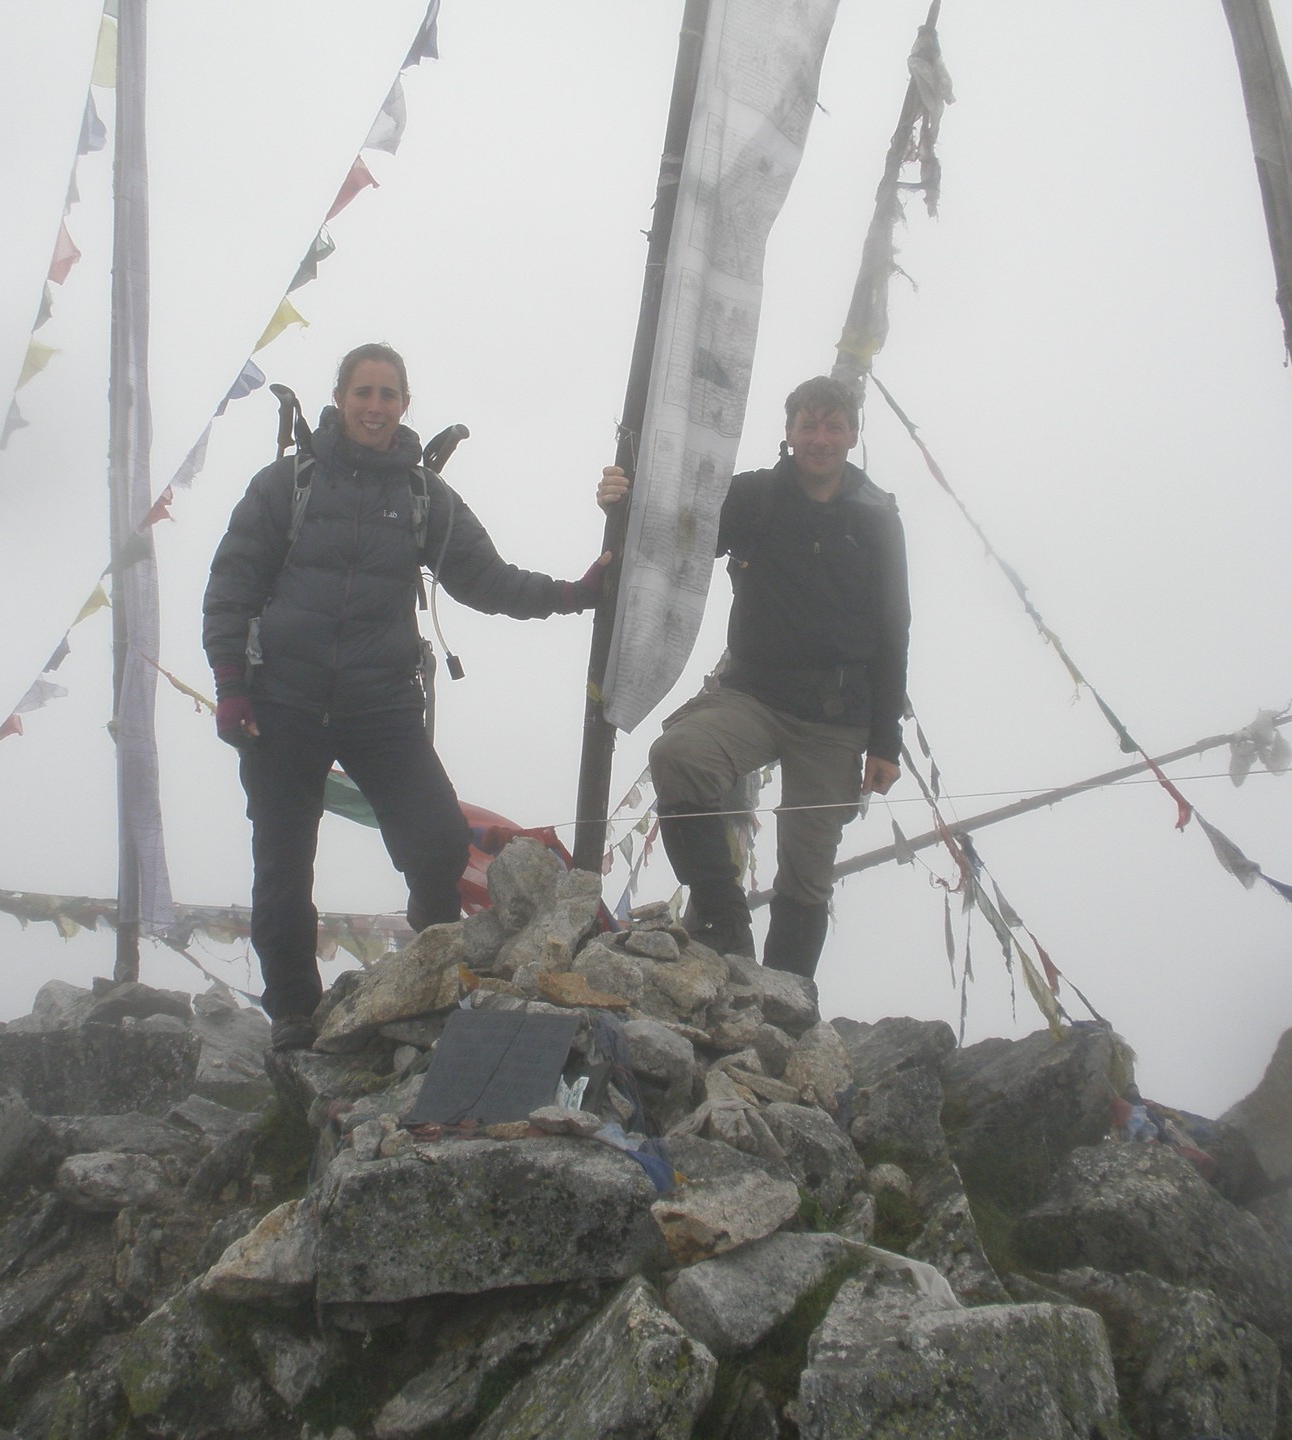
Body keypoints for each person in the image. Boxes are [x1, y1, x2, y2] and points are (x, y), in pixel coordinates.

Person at [204, 341, 611, 1050]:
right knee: (282, 863)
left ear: (403, 406)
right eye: (363, 392)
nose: (374, 406)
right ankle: (294, 1017)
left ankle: (429, 952)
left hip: (379, 706)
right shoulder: (284, 484)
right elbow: (230, 591)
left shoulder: (424, 497)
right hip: (282, 704)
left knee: (438, 840)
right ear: (340, 400)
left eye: (388, 395)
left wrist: (574, 595)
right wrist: (232, 689)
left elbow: (488, 581)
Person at [598, 375, 910, 979]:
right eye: (808, 425)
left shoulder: (877, 518)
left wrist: (885, 741)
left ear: (852, 433)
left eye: (833, 425)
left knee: (808, 869)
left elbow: (894, 629)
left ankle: (785, 999)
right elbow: (679, 529)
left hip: (838, 716)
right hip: (753, 694)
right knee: (681, 755)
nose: (820, 438)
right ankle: (723, 924)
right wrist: (627, 497)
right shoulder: (757, 497)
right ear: (789, 432)